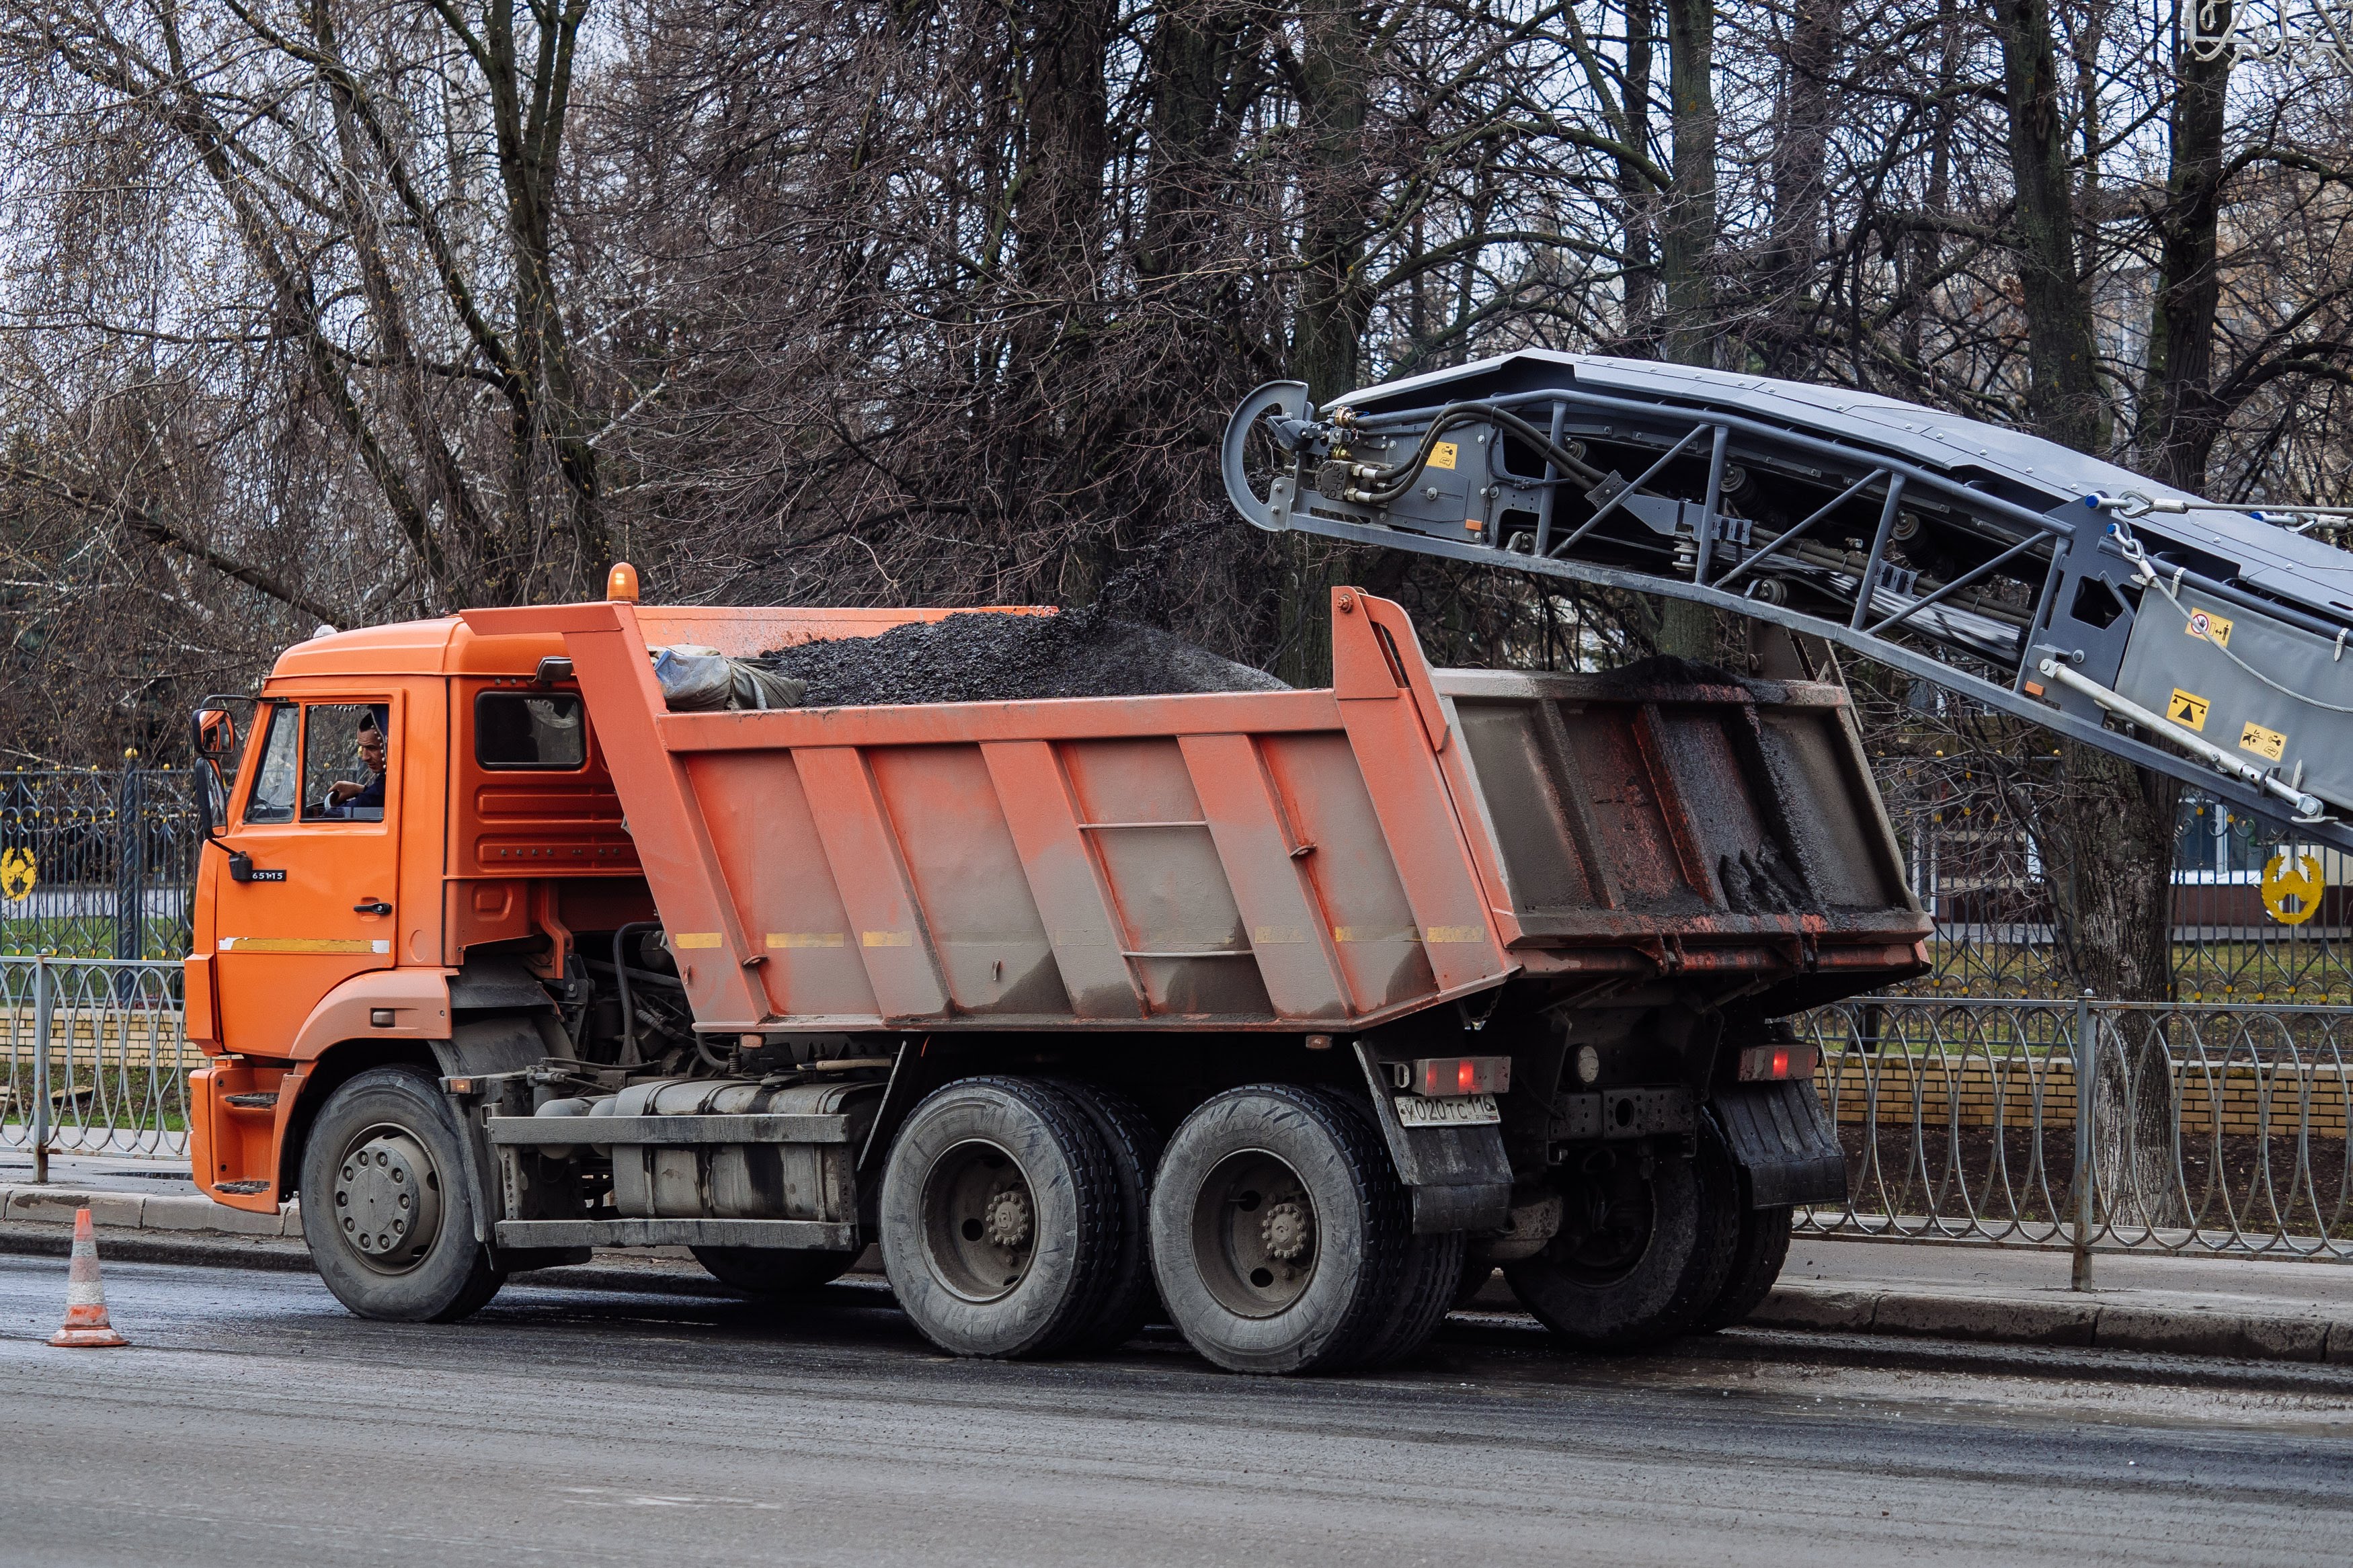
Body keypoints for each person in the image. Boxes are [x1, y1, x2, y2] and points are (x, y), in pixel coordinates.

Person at [324, 709, 388, 817]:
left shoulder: (387, 784)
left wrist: (330, 803)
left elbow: (333, 816)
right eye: (362, 747)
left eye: (372, 748)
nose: (365, 757)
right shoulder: (386, 781)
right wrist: (362, 790)